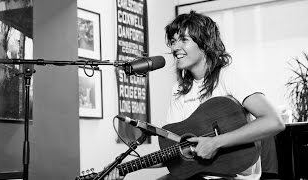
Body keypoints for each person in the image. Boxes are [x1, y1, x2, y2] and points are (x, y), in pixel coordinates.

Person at [105, 10, 285, 180]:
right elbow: (175, 151)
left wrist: (216, 143)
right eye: (173, 41)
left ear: (204, 43)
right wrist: (125, 167)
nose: (176, 47)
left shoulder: (227, 76)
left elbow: (273, 121)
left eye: (183, 40)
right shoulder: (179, 90)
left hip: (234, 175)